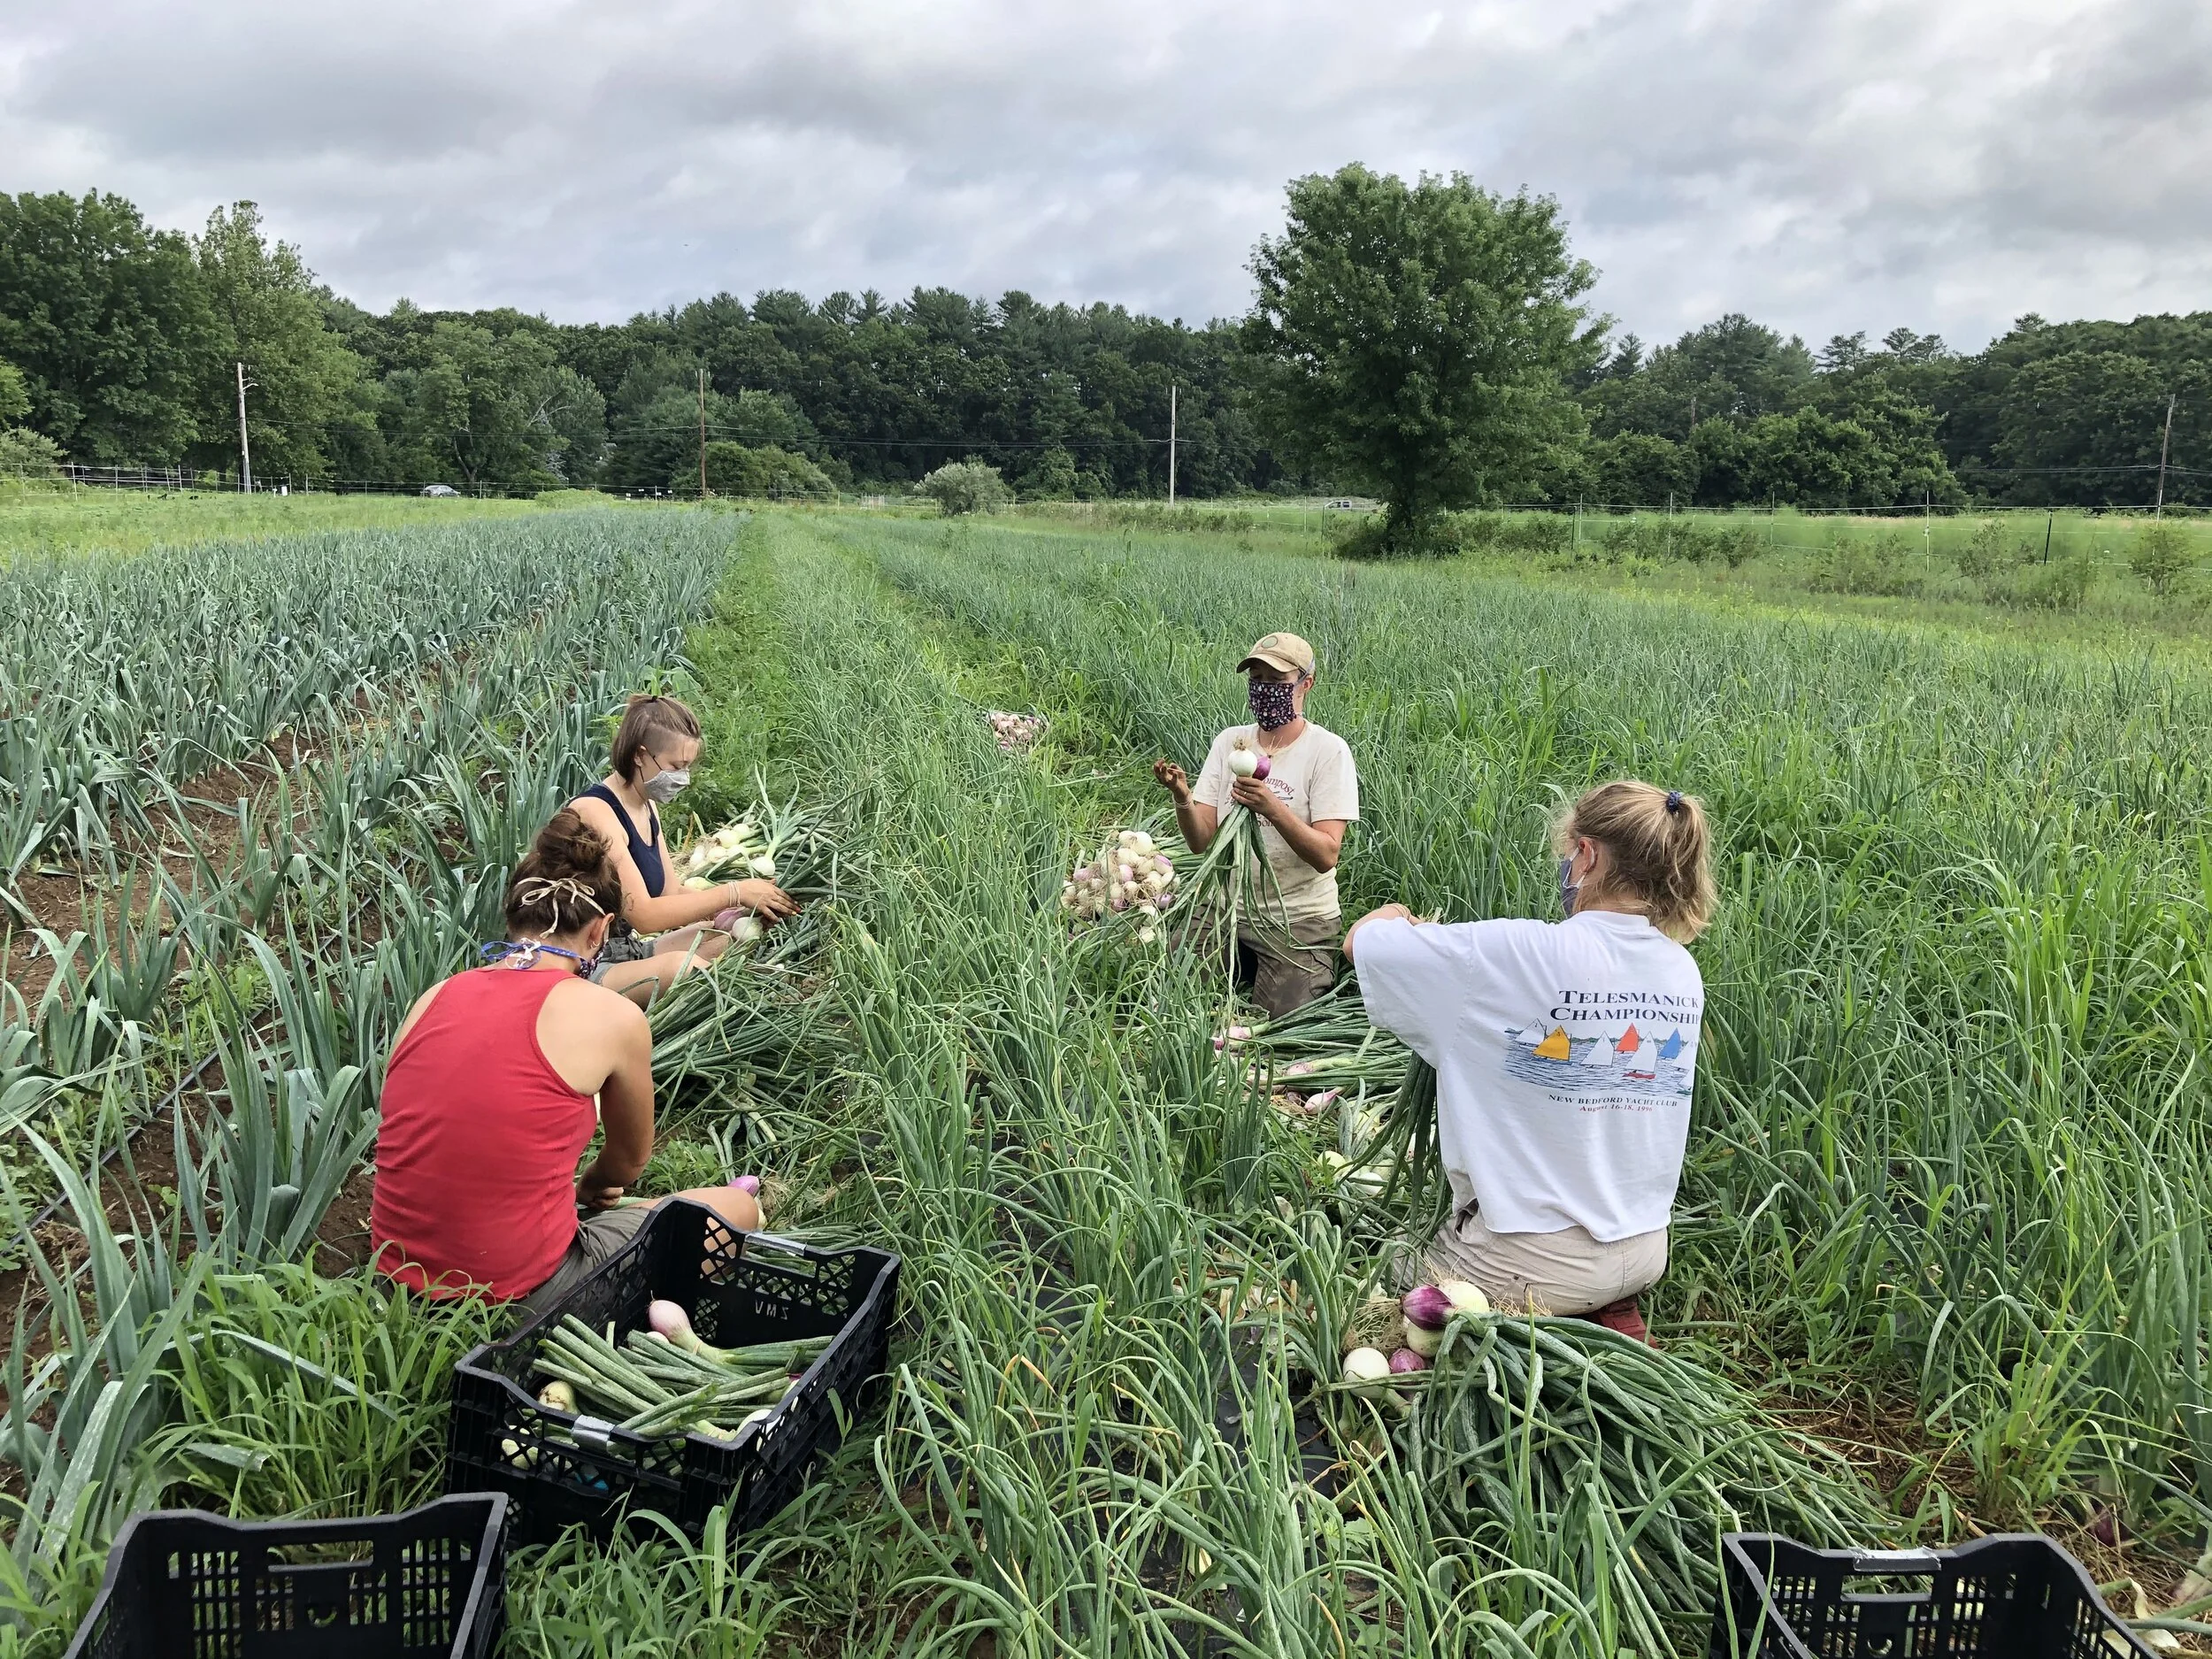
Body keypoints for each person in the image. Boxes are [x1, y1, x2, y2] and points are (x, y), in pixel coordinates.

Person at [1343, 781, 1715, 1341]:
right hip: (1643, 1249)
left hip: (1529, 1266)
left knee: (1368, 1277)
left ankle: (1545, 1313)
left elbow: (1359, 944)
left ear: (1587, 855)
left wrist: (1395, 915)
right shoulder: (1681, 971)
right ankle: (1603, 1308)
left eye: (1568, 855)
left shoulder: (1511, 952)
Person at [369, 810, 761, 1315]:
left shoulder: (434, 997)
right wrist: (592, 1186)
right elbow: (628, 1162)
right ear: (600, 932)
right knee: (737, 1209)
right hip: (518, 1296)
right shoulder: (613, 1016)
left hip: (393, 1282)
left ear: (513, 922)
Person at [1153, 631, 1359, 1018]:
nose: (1265, 691)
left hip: (1297, 916)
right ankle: (1244, 962)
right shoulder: (1231, 743)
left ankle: (1265, 966)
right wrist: (1181, 794)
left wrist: (1273, 808)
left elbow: (1327, 854)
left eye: (1277, 683)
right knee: (1174, 996)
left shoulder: (1327, 751)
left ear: (1305, 685)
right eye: (1257, 681)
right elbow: (1201, 840)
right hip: (1226, 907)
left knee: (1283, 1022)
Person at [569, 693, 795, 1006]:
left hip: (623, 950)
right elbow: (644, 916)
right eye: (676, 766)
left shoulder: (646, 806)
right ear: (639, 755)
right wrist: (734, 892)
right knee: (682, 968)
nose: (683, 778)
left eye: (687, 767)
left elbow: (669, 892)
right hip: (582, 964)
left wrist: (739, 911)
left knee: (719, 936)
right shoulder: (597, 811)